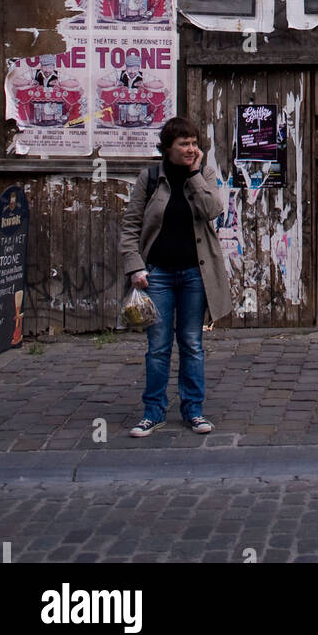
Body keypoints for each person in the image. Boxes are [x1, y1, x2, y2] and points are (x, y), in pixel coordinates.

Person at [119, 116, 232, 435]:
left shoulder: (204, 173)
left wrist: (195, 174)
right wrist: (135, 266)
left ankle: (193, 410)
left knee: (192, 343)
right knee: (158, 345)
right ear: (167, 148)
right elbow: (130, 225)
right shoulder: (150, 178)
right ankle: (153, 411)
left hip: (196, 274)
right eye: (184, 144)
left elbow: (212, 210)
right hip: (158, 274)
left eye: (195, 143)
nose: (191, 149)